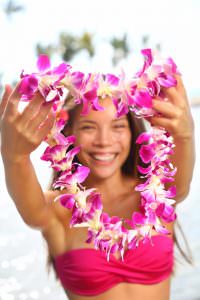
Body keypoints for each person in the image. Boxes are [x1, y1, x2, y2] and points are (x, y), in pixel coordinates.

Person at [0, 75, 195, 300]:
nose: (104, 140)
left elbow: (181, 183)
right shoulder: (57, 211)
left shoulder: (158, 193)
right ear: (69, 134)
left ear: (132, 132)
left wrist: (186, 134)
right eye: (88, 127)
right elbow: (31, 209)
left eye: (118, 126)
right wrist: (14, 157)